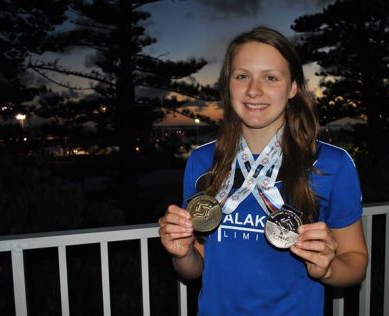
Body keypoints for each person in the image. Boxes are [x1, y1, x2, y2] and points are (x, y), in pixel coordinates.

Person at [158, 26, 368, 316]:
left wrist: (328, 268)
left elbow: (355, 262)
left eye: (270, 77)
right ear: (227, 85)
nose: (253, 90)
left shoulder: (330, 164)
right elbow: (196, 267)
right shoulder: (203, 161)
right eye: (242, 76)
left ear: (293, 86)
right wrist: (182, 253)